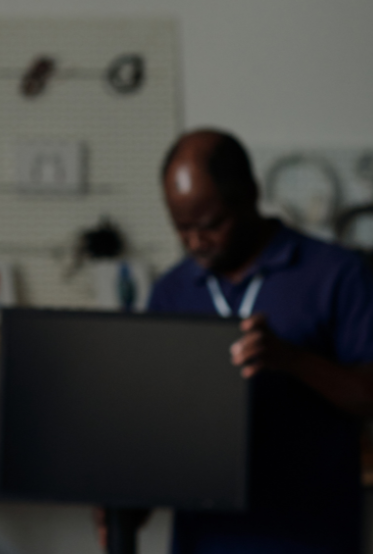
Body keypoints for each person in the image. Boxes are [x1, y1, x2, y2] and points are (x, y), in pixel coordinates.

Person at [138, 128, 373, 553]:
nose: (195, 243)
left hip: (311, 536)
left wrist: (289, 358)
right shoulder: (172, 290)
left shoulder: (339, 273)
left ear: (249, 195)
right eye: (181, 229)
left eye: (210, 225)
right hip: (203, 538)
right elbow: (151, 419)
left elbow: (368, 394)